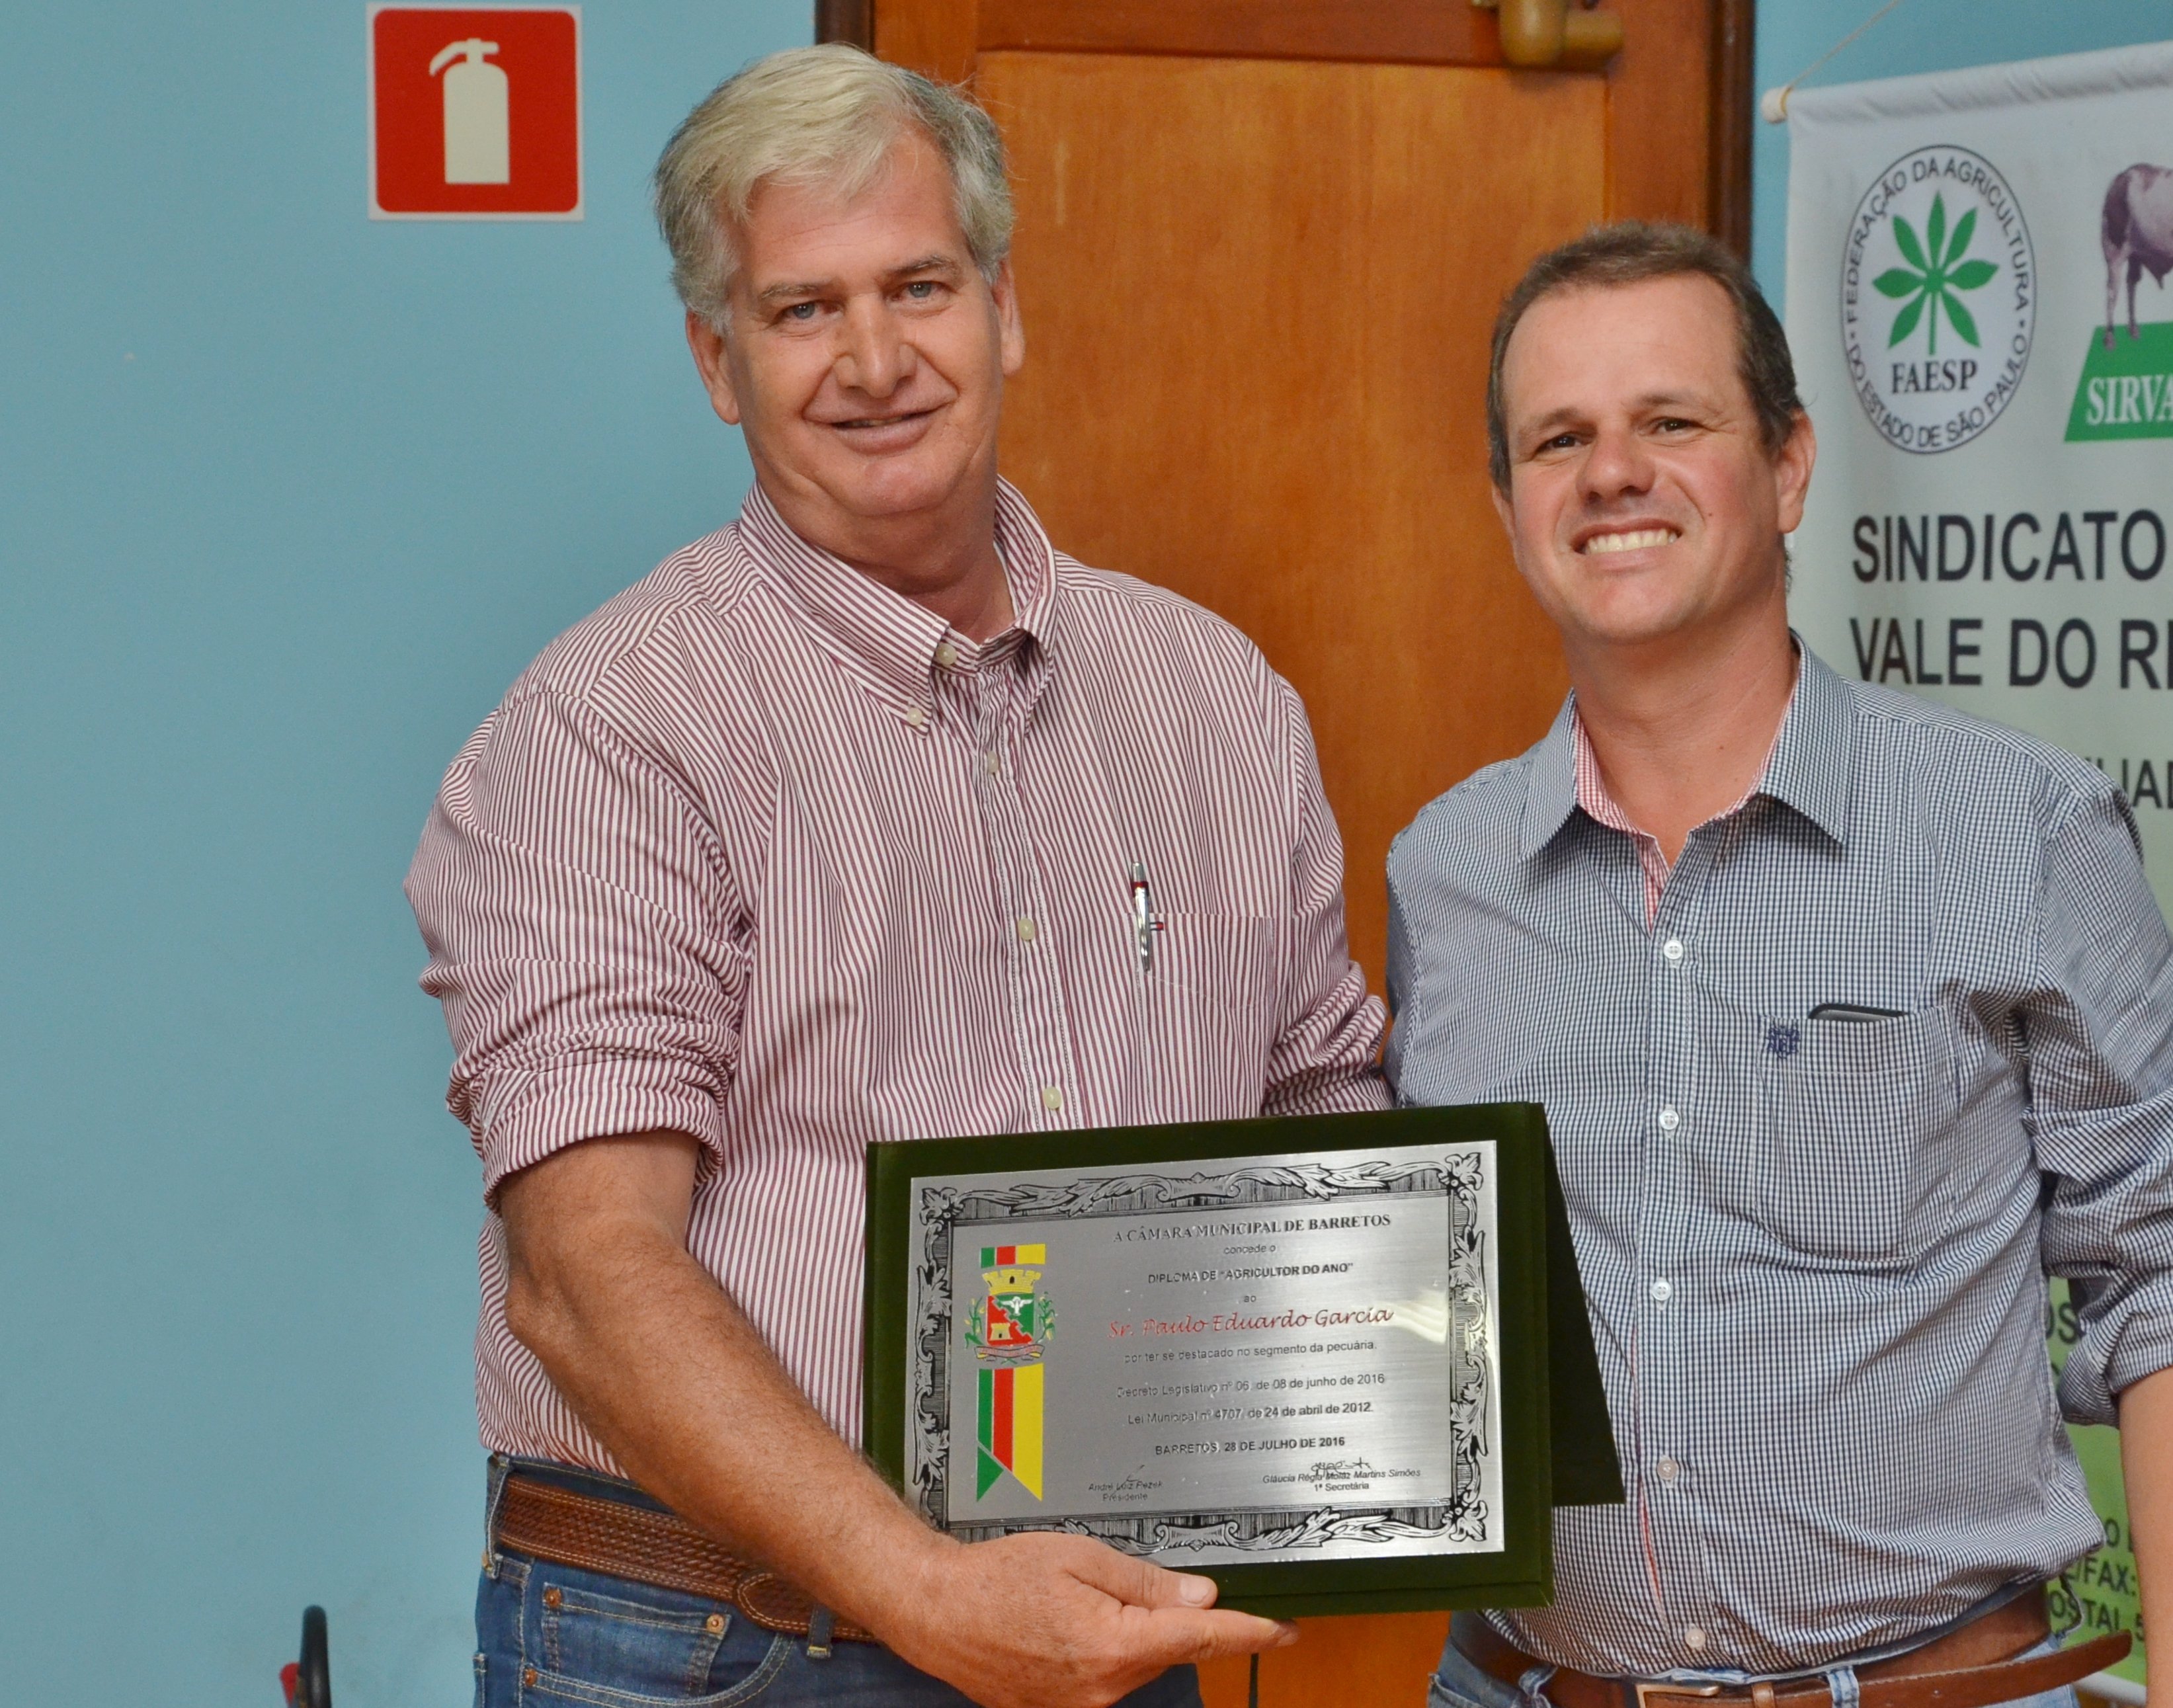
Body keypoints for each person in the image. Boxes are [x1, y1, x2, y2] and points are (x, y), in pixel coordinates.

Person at [404, 43, 1389, 1708]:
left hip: (1098, 1631)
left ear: (1002, 308)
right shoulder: (608, 727)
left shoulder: (1215, 698)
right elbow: (584, 1276)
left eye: (917, 287)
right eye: (802, 309)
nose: (873, 361)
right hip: (715, 1651)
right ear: (717, 361)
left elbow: (1319, 1128)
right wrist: (929, 1589)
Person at [1386, 224, 2173, 1708]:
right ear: (1507, 507)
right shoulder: (1442, 875)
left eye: (1670, 422)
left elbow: (2160, 1268)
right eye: (1558, 439)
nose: (1611, 474)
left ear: (1790, 466)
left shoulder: (2021, 829)